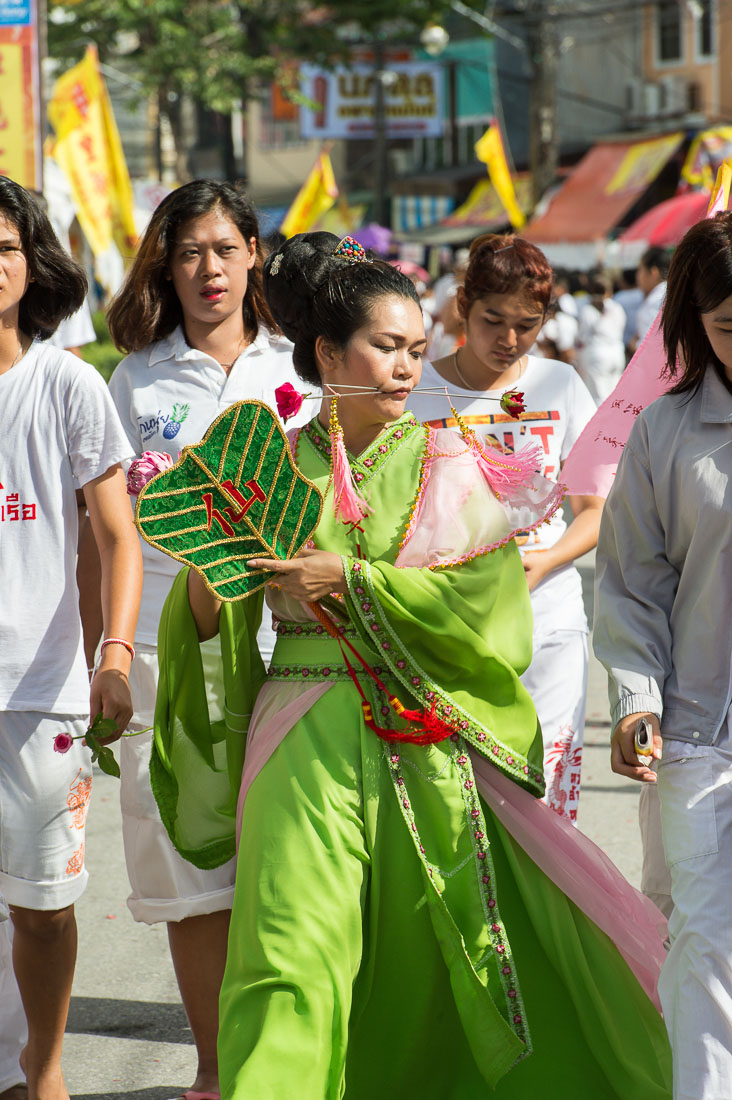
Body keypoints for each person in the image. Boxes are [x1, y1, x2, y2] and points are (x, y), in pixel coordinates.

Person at [153, 231, 672, 1098]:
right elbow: (211, 618)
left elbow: (489, 609)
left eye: (416, 351)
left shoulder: (451, 465)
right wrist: (212, 572)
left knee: (422, 955)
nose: (405, 368)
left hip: (421, 734)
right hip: (301, 730)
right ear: (327, 352)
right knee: (289, 950)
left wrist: (352, 579)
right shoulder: (270, 464)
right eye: (386, 348)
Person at [96, 179, 311, 1100]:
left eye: (225, 249)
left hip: (292, 648)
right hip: (161, 655)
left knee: (286, 856)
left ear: (255, 254)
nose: (209, 269)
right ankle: (217, 1069)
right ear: (165, 264)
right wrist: (101, 650)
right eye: (189, 252)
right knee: (187, 863)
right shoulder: (134, 377)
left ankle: (289, 1059)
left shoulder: (299, 365)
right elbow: (104, 528)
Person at [0, 177, 141, 1100]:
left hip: (43, 690)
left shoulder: (67, 382)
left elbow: (117, 534)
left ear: (29, 263)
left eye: (2, 248)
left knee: (41, 908)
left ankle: (42, 1073)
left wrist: (115, 655)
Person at [594, 211, 732, 1100]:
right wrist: (636, 698)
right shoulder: (665, 433)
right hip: (697, 735)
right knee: (707, 940)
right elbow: (631, 585)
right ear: (695, 322)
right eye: (728, 328)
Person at [415, 234, 600, 822]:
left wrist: (544, 562)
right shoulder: (414, 390)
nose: (510, 339)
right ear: (462, 305)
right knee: (460, 804)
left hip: (549, 623)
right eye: (494, 319)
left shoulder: (561, 386)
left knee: (546, 800)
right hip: (449, 631)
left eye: (528, 323)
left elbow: (595, 509)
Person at [575, 272, 627, 405]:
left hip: (597, 355)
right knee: (615, 394)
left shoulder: (588, 309)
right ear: (609, 291)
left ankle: (603, 426)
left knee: (598, 397)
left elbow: (583, 336)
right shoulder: (617, 307)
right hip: (617, 353)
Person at [633, 246, 670, 348]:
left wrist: (634, 344)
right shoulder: (671, 292)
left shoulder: (655, 300)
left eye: (640, 270)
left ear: (654, 272)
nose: (637, 276)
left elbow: (651, 346)